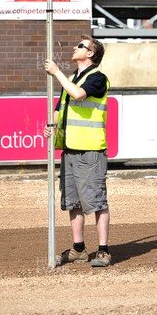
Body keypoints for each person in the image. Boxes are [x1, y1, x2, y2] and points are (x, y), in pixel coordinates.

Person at [43, 35, 111, 268]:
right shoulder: (71, 78)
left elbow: (78, 94)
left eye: (80, 46)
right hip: (70, 150)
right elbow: (60, 107)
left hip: (90, 150)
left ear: (90, 54)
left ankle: (103, 251)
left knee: (96, 201)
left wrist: (56, 72)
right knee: (73, 202)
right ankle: (78, 249)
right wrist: (51, 125)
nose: (75, 47)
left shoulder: (98, 78)